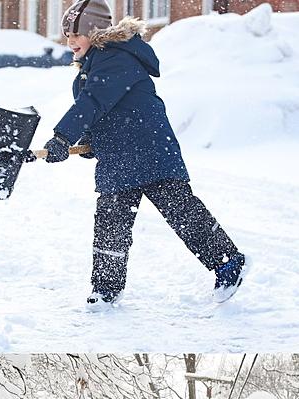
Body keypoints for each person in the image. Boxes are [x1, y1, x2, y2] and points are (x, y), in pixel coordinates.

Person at [44, 0, 246, 308]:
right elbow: (103, 110)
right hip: (119, 158)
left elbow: (92, 102)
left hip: (150, 152)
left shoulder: (114, 59)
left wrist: (62, 137)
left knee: (182, 212)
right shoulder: (93, 66)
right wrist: (89, 140)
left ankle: (229, 262)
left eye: (76, 34)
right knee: (111, 224)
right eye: (67, 34)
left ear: (96, 33)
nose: (70, 41)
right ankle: (106, 289)